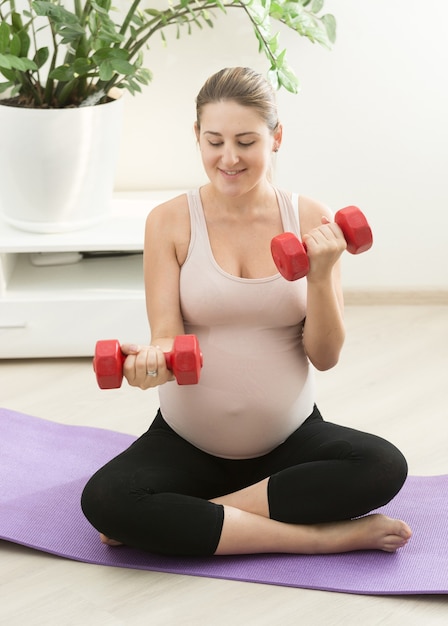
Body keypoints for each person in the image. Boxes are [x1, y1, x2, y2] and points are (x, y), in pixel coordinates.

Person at [81, 66, 411, 557]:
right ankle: (321, 539)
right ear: (197, 136)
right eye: (213, 141)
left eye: (246, 141)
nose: (228, 158)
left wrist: (320, 275)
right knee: (104, 500)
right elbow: (168, 338)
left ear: (276, 137)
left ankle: (199, 514)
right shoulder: (168, 222)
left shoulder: (312, 219)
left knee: (384, 466)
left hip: (290, 443)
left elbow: (324, 357)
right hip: (187, 442)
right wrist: (148, 365)